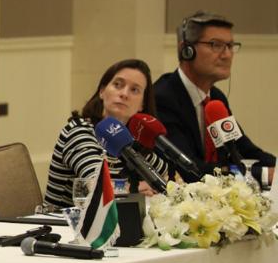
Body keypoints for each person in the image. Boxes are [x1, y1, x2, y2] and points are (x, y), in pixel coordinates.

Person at [154, 10, 275, 184]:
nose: (227, 55)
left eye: (230, 46)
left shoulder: (216, 98)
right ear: (186, 50)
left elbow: (245, 150)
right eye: (216, 45)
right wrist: (262, 174)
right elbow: (190, 169)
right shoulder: (163, 98)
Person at [44, 59, 169, 209]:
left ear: (142, 104)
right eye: (118, 85)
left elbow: (169, 180)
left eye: (134, 90)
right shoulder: (79, 131)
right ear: (102, 91)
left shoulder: (130, 140)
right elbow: (96, 185)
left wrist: (161, 186)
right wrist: (133, 188)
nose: (124, 94)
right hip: (64, 221)